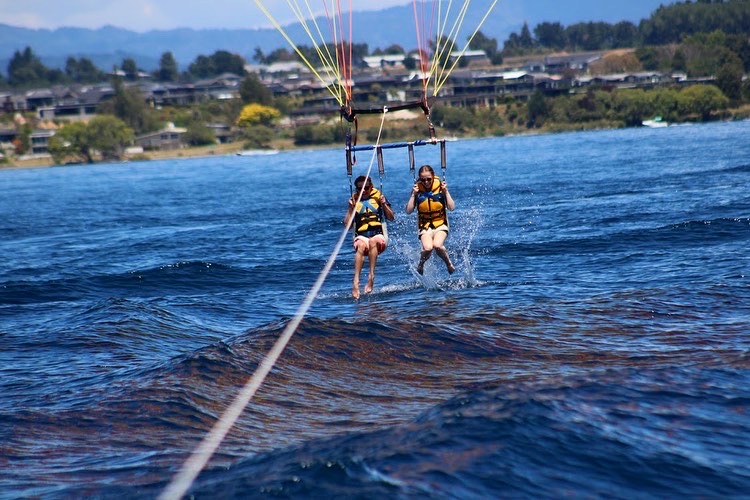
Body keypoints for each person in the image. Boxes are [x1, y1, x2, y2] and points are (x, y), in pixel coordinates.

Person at [344, 175, 395, 299]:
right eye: (360, 189)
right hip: (361, 237)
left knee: (373, 241)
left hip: (378, 236)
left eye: (366, 188)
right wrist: (351, 209)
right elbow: (347, 226)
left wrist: (383, 204)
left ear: (371, 186)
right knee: (361, 245)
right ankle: (356, 282)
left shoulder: (379, 197)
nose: (364, 191)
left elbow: (391, 217)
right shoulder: (354, 201)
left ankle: (371, 276)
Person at [405, 164, 456, 275]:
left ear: (433, 176)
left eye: (429, 179)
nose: (426, 182)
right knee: (428, 248)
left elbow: (451, 208)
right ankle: (421, 264)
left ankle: (448, 263)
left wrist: (446, 191)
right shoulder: (417, 190)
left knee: (437, 245)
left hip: (441, 224)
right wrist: (413, 195)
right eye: (423, 180)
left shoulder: (441, 188)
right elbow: (408, 211)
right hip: (424, 226)